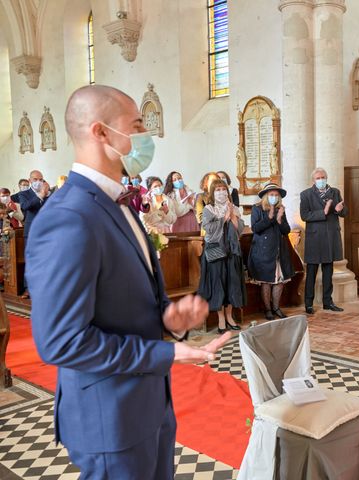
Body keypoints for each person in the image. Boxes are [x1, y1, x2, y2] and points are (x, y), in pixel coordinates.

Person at [25, 84, 230, 478]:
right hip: (109, 418)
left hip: (148, 405)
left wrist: (168, 319)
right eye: (136, 125)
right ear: (101, 132)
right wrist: (166, 355)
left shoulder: (117, 202)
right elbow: (61, 341)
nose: (145, 136)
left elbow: (121, 301)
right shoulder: (69, 216)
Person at [197, 179, 246, 334]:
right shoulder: (209, 209)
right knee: (218, 284)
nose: (221, 192)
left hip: (232, 251)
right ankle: (221, 319)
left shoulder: (235, 209)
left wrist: (232, 217)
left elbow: (239, 231)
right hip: (215, 250)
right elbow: (208, 229)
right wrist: (223, 219)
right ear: (213, 192)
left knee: (231, 282)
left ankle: (230, 316)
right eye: (217, 189)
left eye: (223, 189)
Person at [299, 167, 347, 314]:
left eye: (323, 177)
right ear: (313, 180)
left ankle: (328, 301)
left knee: (328, 271)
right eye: (318, 178)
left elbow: (344, 212)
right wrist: (323, 212)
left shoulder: (335, 192)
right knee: (312, 272)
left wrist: (339, 210)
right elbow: (304, 216)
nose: (321, 180)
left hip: (330, 237)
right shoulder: (306, 194)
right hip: (314, 238)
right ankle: (309, 304)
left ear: (326, 178)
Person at [248, 183, 294, 320]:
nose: (274, 197)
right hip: (263, 251)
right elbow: (255, 228)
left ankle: (276, 307)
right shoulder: (257, 209)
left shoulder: (281, 209)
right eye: (271, 194)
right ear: (266, 196)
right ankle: (268, 309)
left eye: (276, 195)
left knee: (279, 281)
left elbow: (286, 230)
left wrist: (279, 219)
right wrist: (270, 217)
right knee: (266, 281)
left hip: (279, 250)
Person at [11, 170, 49, 298]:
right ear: (30, 180)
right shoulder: (24, 194)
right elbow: (26, 206)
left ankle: (44, 287)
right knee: (30, 259)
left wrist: (47, 194)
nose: (38, 182)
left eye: (41, 179)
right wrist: (40, 195)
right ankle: (28, 288)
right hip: (31, 230)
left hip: (46, 231)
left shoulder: (48, 194)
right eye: (35, 179)